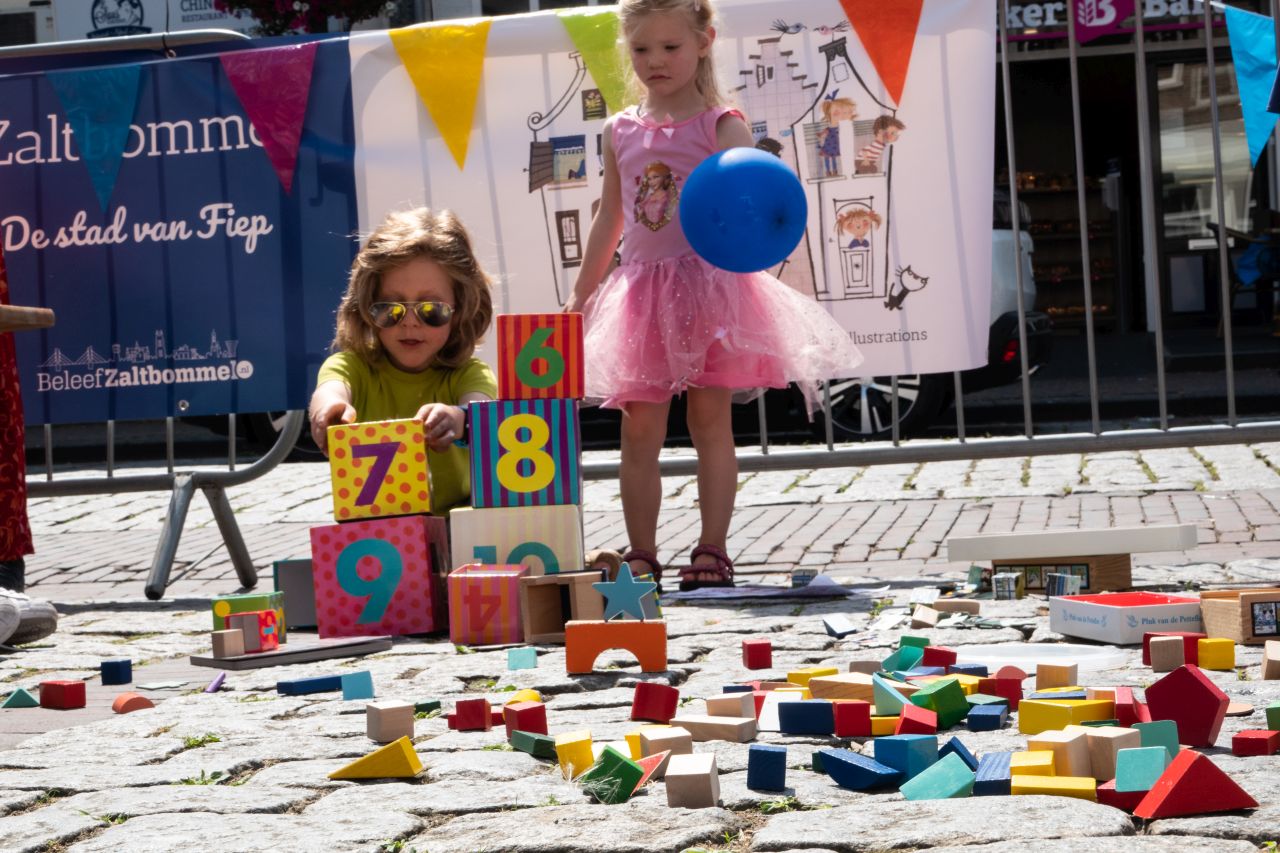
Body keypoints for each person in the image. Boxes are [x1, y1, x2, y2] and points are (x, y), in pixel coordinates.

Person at [565, 0, 862, 591]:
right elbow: (611, 218)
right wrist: (582, 293)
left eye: (670, 47)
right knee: (639, 429)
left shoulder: (721, 125)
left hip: (709, 294)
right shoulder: (619, 129)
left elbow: (748, 208)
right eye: (641, 49)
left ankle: (712, 549)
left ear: (704, 42)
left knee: (710, 422)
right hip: (643, 296)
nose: (655, 61)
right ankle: (642, 554)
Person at [309, 208, 497, 516]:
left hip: (461, 522)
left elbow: (482, 412)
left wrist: (457, 418)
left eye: (431, 310)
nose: (410, 323)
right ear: (367, 309)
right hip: (377, 531)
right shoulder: (352, 367)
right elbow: (331, 389)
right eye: (390, 309)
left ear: (460, 309)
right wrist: (329, 411)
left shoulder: (468, 374)